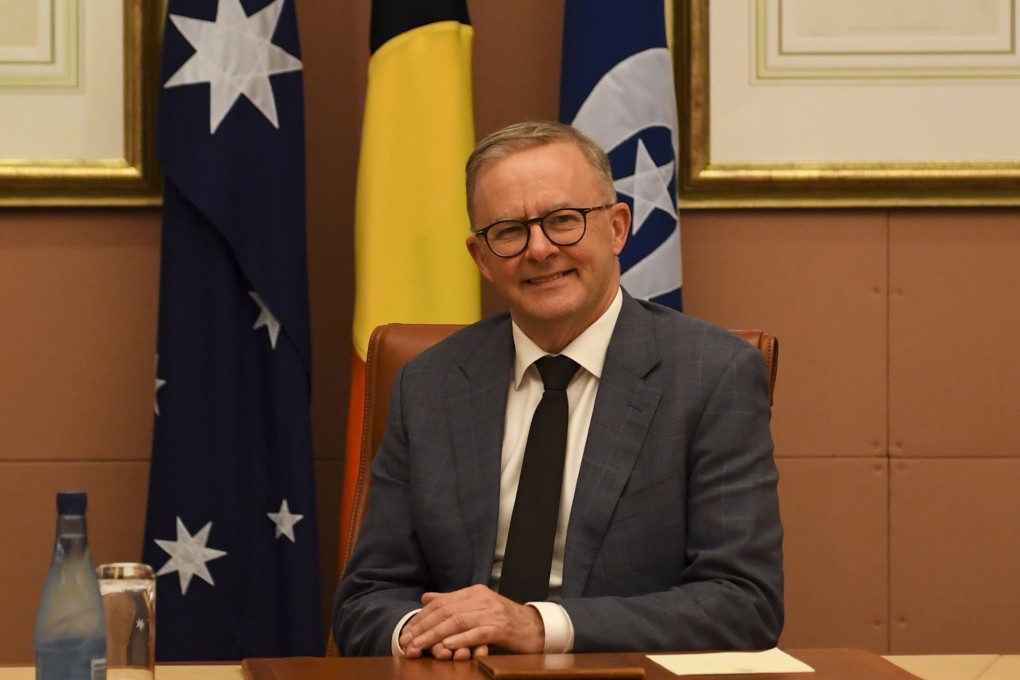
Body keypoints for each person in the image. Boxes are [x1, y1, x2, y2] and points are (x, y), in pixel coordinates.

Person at [333, 120, 783, 659]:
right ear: (481, 258)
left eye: (564, 221)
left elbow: (743, 604)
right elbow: (366, 599)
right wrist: (421, 631)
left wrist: (537, 627)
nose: (540, 249)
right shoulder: (429, 384)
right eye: (508, 231)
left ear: (617, 228)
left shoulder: (711, 374)